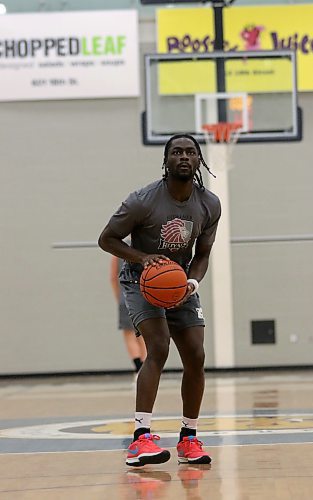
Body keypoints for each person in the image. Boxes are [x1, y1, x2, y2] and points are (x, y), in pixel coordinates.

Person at [98, 134, 221, 467]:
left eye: (191, 152)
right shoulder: (142, 200)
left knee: (196, 354)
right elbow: (107, 239)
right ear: (166, 161)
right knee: (160, 346)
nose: (184, 156)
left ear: (199, 161)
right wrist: (141, 258)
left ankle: (189, 439)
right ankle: (141, 440)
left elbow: (204, 253)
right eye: (176, 152)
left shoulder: (209, 204)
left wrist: (192, 282)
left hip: (179, 283)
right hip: (141, 280)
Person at [110, 253, 146, 375]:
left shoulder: (118, 249)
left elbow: (113, 278)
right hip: (143, 297)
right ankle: (146, 370)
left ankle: (139, 370)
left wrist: (118, 297)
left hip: (125, 297)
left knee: (130, 335)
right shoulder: (145, 246)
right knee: (144, 336)